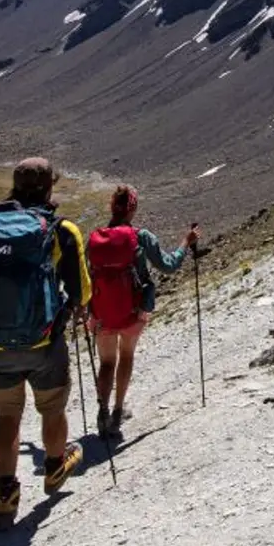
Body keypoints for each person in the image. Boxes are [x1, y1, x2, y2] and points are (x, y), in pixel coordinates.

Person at [0, 156, 92, 531]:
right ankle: (54, 468)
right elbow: (82, 292)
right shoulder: (62, 229)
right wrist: (69, 312)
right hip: (45, 341)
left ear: (15, 187)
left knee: (7, 415)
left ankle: (5, 494)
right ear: (50, 186)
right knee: (51, 407)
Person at [85, 184, 199, 442]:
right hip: (133, 313)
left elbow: (86, 277)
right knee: (126, 356)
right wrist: (186, 242)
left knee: (106, 363)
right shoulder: (141, 236)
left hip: (102, 314)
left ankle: (101, 412)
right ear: (133, 208)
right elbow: (168, 265)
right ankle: (117, 412)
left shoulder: (94, 239)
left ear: (111, 207)